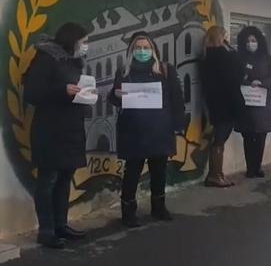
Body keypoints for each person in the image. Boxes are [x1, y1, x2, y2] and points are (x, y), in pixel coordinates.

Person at [22, 22, 91, 248]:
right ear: (72, 40)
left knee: (64, 179)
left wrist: (86, 95)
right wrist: (63, 91)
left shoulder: (73, 61)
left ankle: (61, 224)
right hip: (50, 131)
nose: (86, 46)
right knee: (48, 180)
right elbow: (32, 93)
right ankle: (47, 230)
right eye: (84, 41)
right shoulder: (46, 59)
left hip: (70, 129)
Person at [109, 32, 184, 228]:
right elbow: (115, 98)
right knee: (132, 172)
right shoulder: (124, 72)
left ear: (153, 50)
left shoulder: (165, 71)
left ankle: (159, 207)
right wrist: (116, 94)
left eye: (146, 47)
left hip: (159, 130)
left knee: (159, 170)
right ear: (131, 51)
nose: (142, 51)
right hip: (134, 130)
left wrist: (177, 125)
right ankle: (128, 212)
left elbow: (177, 99)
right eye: (138, 48)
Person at [235, 26, 271, 178]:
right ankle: (250, 168)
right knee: (248, 136)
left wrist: (262, 83)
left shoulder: (267, 58)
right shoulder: (239, 59)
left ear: (259, 41)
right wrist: (244, 81)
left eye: (253, 40)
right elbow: (233, 77)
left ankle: (258, 167)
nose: (250, 43)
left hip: (263, 105)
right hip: (246, 104)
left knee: (260, 136)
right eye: (248, 41)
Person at [199, 26, 244, 188]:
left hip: (213, 102)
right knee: (220, 140)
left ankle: (216, 174)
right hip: (227, 102)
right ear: (222, 37)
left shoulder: (205, 56)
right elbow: (237, 75)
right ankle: (215, 175)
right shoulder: (225, 56)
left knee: (218, 138)